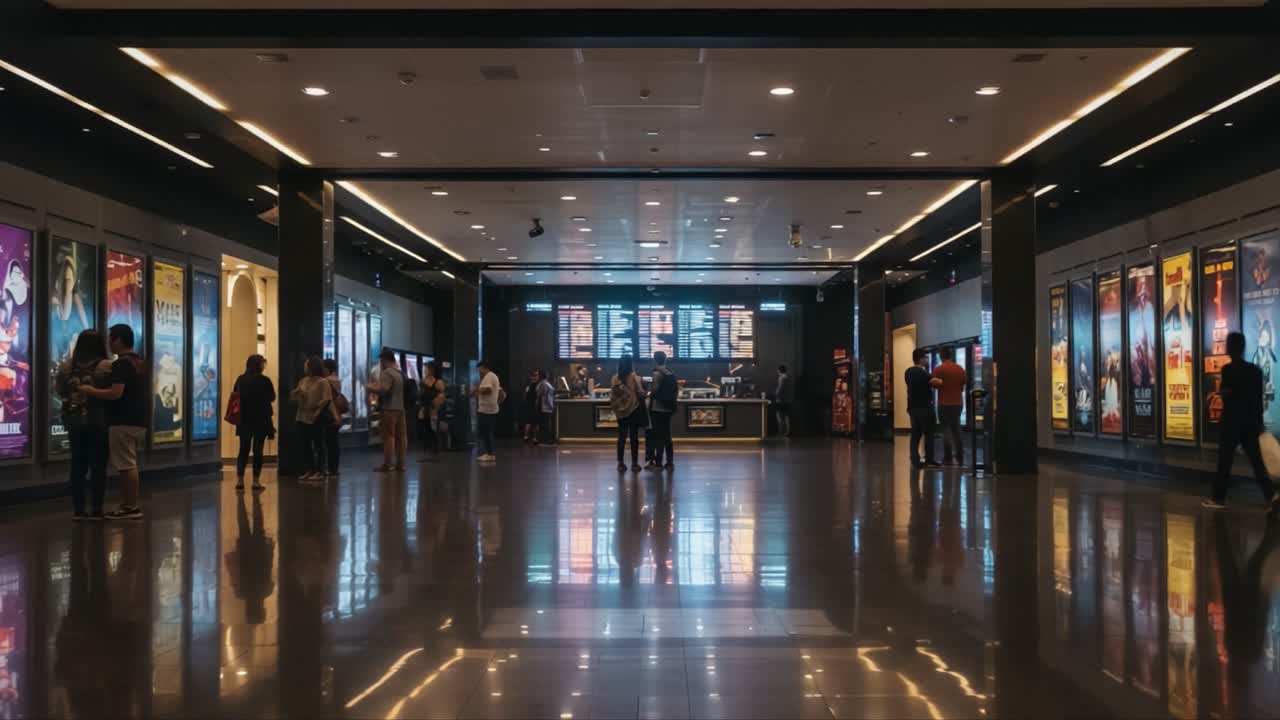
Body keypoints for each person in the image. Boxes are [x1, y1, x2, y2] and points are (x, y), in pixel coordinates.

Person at [1203, 332, 1278, 512]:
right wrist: (1259, 423)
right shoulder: (1255, 371)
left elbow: (1226, 395)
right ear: (1243, 348)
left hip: (1231, 423)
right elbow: (1259, 400)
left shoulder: (1228, 370)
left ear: (1231, 348)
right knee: (1256, 462)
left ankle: (1218, 498)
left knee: (1224, 462)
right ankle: (1271, 495)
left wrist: (1223, 394)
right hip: (1250, 423)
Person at [78, 324, 146, 520]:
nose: (108, 343)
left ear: (119, 340)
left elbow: (116, 392)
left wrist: (90, 390)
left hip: (123, 420)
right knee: (130, 463)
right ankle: (129, 505)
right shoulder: (139, 361)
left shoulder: (121, 364)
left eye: (111, 339)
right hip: (138, 420)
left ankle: (130, 506)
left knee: (126, 465)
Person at [57, 329, 112, 520]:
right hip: (99, 421)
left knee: (77, 465)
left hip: (74, 421)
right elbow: (113, 392)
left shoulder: (66, 367)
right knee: (98, 466)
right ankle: (97, 509)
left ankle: (78, 510)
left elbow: (60, 391)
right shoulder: (106, 366)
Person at [233, 354, 275, 492]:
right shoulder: (264, 380)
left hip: (244, 419)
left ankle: (240, 480)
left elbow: (235, 394)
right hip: (260, 419)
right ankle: (256, 481)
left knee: (243, 450)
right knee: (258, 450)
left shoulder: (241, 379)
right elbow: (272, 397)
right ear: (259, 366)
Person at [291, 355, 334, 482]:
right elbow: (295, 397)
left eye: (306, 364)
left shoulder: (323, 382)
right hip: (302, 415)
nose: (305, 367)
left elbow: (326, 399)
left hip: (316, 416)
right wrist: (297, 394)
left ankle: (320, 470)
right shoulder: (303, 381)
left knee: (319, 444)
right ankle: (309, 469)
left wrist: (318, 409)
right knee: (306, 444)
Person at [930, 347, 968, 466]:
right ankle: (960, 455)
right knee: (956, 429)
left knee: (946, 430)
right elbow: (963, 386)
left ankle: (948, 458)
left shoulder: (938, 369)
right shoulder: (960, 369)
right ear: (951, 356)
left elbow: (934, 385)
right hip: (958, 403)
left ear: (941, 356)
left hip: (944, 404)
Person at [611, 355, 646, 472]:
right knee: (633, 437)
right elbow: (641, 393)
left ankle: (620, 463)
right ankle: (634, 464)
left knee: (621, 437)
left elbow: (613, 394)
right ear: (631, 364)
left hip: (620, 412)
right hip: (633, 410)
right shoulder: (635, 378)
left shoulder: (615, 378)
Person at [374, 349, 407, 471]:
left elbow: (384, 389)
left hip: (389, 409)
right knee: (401, 438)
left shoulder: (387, 373)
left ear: (384, 360)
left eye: (381, 360)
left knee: (389, 437)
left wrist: (370, 388)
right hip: (401, 409)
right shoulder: (400, 373)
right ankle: (400, 464)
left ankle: (388, 464)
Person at [905, 349, 937, 468]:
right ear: (921, 359)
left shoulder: (908, 372)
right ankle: (929, 460)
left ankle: (915, 460)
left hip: (912, 407)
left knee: (915, 434)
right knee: (929, 433)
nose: (927, 360)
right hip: (925, 407)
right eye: (925, 358)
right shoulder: (923, 373)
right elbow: (934, 382)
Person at [649, 351, 676, 469]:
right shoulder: (670, 372)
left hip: (657, 408)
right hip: (668, 408)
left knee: (658, 436)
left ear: (655, 360)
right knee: (667, 435)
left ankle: (659, 462)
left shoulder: (657, 373)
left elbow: (654, 390)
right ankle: (670, 462)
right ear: (665, 360)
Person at [474, 360, 502, 462]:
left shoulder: (489, 376)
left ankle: (490, 454)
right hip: (489, 409)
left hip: (486, 410)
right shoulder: (492, 376)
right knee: (485, 432)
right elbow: (501, 393)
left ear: (483, 367)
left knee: (486, 432)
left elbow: (488, 390)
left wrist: (477, 391)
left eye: (479, 369)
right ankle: (488, 453)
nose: (478, 371)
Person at [418, 361, 445, 458]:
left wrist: (436, 405)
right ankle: (426, 450)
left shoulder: (438, 382)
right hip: (424, 409)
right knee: (424, 429)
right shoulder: (422, 382)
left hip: (434, 410)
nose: (424, 370)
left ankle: (435, 451)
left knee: (433, 429)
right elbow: (420, 396)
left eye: (426, 368)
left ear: (431, 370)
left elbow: (442, 397)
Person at [322, 358, 344, 476]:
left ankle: (328, 467)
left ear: (326, 369)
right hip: (337, 413)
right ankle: (334, 468)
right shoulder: (337, 380)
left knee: (328, 442)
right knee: (334, 442)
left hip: (329, 413)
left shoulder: (326, 381)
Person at [536, 370, 556, 445]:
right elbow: (546, 396)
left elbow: (539, 393)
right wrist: (551, 405)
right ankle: (544, 440)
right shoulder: (545, 384)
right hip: (546, 406)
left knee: (545, 423)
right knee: (545, 424)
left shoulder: (543, 384)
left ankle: (544, 439)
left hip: (545, 406)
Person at [775, 364, 794, 437]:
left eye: (777, 370)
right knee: (787, 416)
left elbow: (780, 388)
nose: (777, 371)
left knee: (779, 416)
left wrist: (776, 395)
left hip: (781, 400)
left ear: (779, 370)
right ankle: (788, 432)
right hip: (788, 400)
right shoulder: (789, 377)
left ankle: (780, 432)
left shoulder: (782, 378)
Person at [522, 370, 539, 443]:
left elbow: (524, 396)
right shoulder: (538, 385)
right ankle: (534, 438)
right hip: (534, 405)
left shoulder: (528, 386)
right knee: (535, 423)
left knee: (528, 422)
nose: (536, 377)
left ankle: (526, 436)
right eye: (535, 375)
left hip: (529, 405)